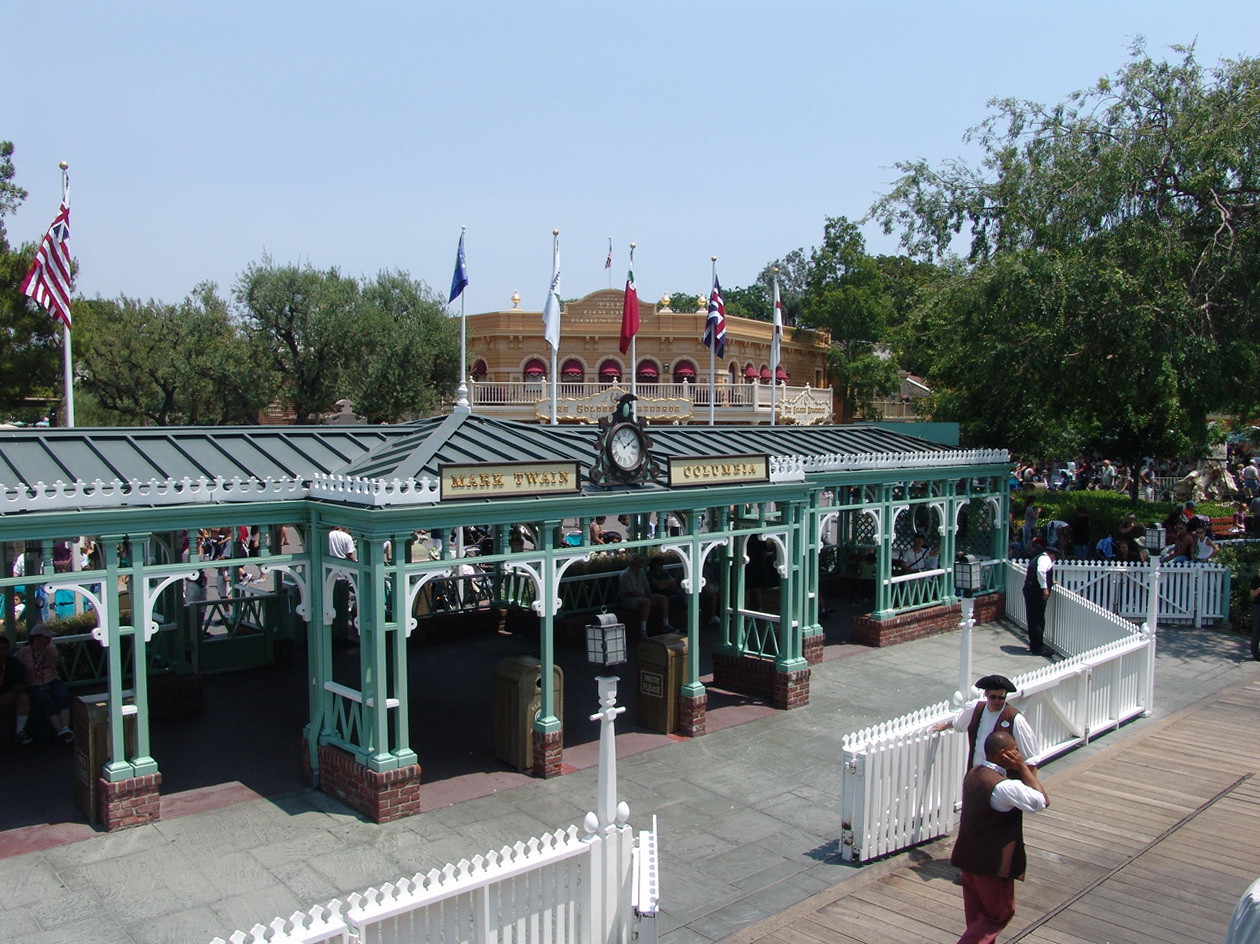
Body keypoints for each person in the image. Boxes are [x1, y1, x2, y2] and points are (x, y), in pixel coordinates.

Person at [949, 728, 1049, 944]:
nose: (1019, 754)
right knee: (999, 913)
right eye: (1015, 750)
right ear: (1004, 754)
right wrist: (1022, 767)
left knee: (978, 917)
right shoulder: (1003, 786)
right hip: (991, 864)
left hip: (968, 857)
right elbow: (1041, 801)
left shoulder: (974, 773)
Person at [931, 674, 1040, 769]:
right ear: (986, 694)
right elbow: (959, 723)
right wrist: (944, 726)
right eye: (993, 697)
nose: (997, 701)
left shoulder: (1014, 718)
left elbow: (1031, 758)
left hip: (1001, 779)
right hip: (976, 771)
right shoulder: (976, 709)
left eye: (1001, 698)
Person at [16, 624, 74, 743]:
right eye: (46, 637)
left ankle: (65, 727)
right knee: (46, 701)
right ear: (37, 638)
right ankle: (60, 730)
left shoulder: (51, 648)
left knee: (63, 695)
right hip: (34, 683)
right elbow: (14, 665)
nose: (49, 640)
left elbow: (54, 665)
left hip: (52, 679)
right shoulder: (23, 652)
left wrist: (43, 651)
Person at [619, 554, 674, 637]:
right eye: (640, 562)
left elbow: (646, 587)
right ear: (634, 563)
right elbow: (630, 592)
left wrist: (650, 596)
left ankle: (666, 625)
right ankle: (643, 630)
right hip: (630, 599)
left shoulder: (641, 572)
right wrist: (646, 597)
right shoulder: (625, 575)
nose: (642, 564)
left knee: (663, 598)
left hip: (643, 596)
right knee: (646, 602)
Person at [1022, 546, 1057, 655]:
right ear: (1051, 554)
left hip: (1030, 590)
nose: (1054, 560)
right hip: (1036, 593)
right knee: (1038, 619)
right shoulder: (1045, 559)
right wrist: (1044, 588)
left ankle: (1035, 645)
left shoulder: (1038, 558)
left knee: (1033, 618)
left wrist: (1051, 582)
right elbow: (1041, 571)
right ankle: (1038, 647)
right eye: (1055, 557)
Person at [0, 636, 31, 745]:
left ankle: (19, 732)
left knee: (24, 697)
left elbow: (20, 683)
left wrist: (12, 694)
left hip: (8, 695)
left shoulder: (14, 663)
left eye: (5, 648)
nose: (2, 652)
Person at [647, 556, 686, 624]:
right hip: (661, 593)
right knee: (674, 599)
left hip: (672, 590)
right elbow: (659, 586)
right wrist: (668, 583)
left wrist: (665, 583)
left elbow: (674, 581)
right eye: (659, 565)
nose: (661, 567)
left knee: (683, 593)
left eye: (662, 565)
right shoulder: (650, 574)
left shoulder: (664, 573)